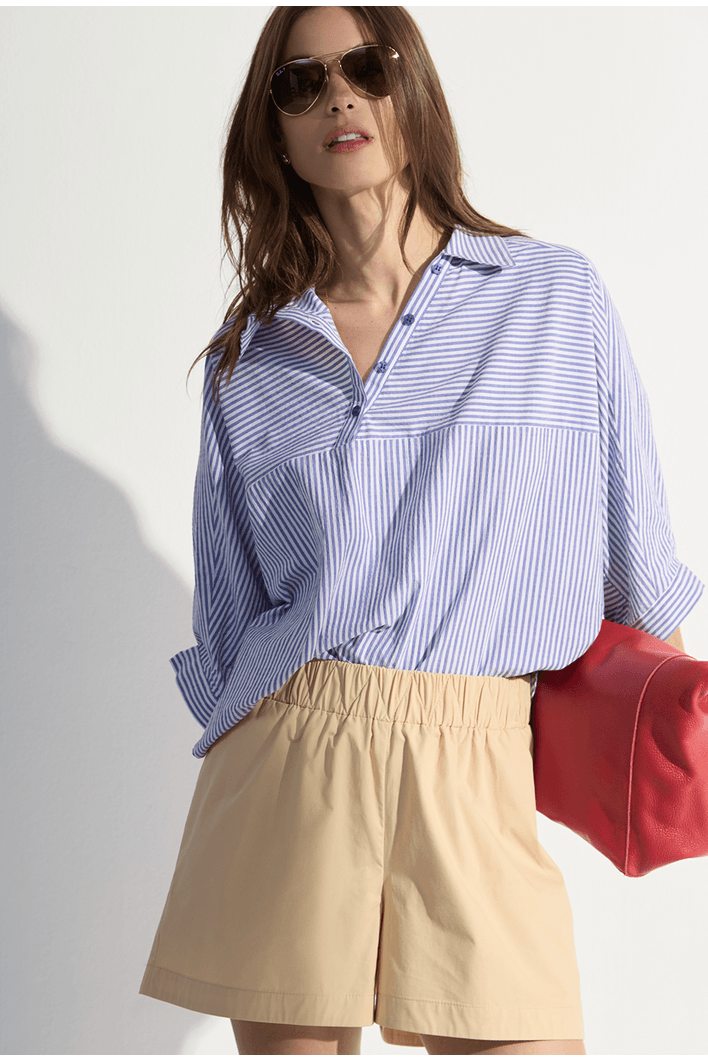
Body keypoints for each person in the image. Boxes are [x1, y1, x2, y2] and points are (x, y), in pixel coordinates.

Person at [138, 5, 702, 1055]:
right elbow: (230, 612)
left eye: (367, 66)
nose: (339, 97)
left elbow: (636, 560)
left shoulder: (552, 297)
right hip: (296, 756)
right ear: (274, 133)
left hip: (480, 751)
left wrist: (669, 731)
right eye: (301, 83)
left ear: (414, 91)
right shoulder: (250, 357)